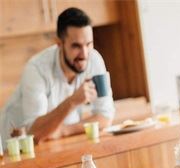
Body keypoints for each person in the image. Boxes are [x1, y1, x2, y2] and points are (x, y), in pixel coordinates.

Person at [0, 7, 115, 147]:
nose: (84, 54)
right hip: (12, 148)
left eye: (89, 44)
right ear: (59, 43)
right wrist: (73, 101)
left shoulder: (94, 60)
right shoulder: (36, 70)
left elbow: (105, 117)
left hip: (53, 144)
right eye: (76, 46)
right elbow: (35, 133)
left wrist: (64, 131)